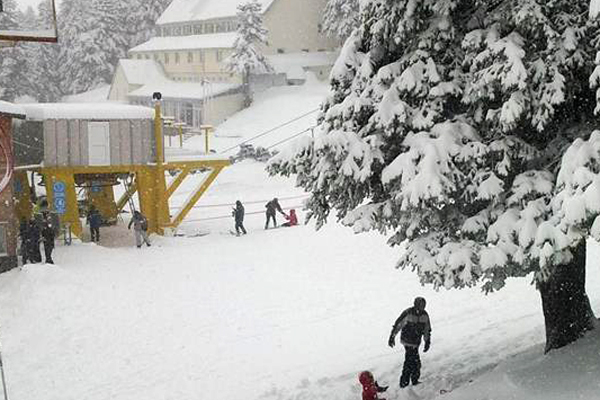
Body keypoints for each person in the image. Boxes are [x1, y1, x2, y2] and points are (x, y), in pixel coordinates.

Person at [388, 297, 431, 388]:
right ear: (416, 304)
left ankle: (407, 381)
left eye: (423, 305)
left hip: (416, 342)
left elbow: (427, 329)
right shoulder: (408, 313)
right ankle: (407, 382)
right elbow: (398, 325)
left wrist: (427, 341)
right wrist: (392, 336)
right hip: (407, 340)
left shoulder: (425, 315)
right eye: (420, 305)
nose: (422, 307)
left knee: (412, 360)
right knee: (412, 360)